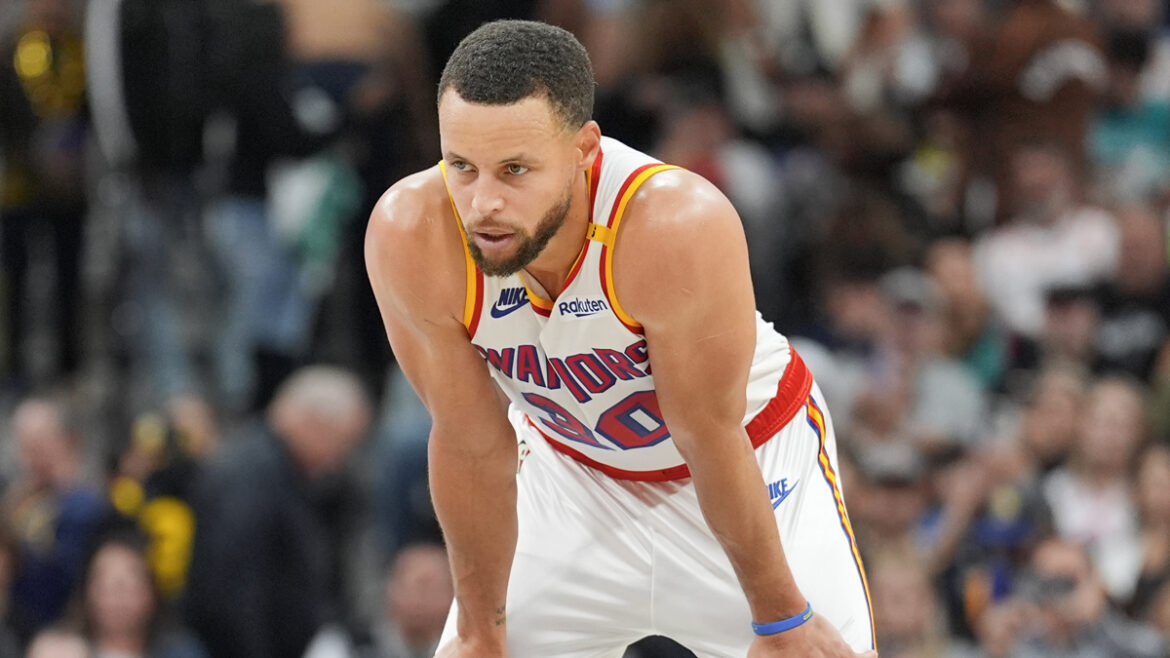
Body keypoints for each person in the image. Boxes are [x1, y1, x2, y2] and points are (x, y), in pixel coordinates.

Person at [365, 19, 875, 658]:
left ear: (584, 149)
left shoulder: (673, 224)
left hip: (748, 462)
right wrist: (479, 630)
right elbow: (470, 443)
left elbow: (707, 436)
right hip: (573, 472)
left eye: (514, 169)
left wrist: (779, 615)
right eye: (462, 166)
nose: (482, 202)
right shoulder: (412, 232)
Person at [183, 366, 372, 658]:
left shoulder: (282, 470)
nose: (340, 459)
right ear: (313, 422)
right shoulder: (249, 476)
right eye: (343, 441)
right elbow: (232, 592)